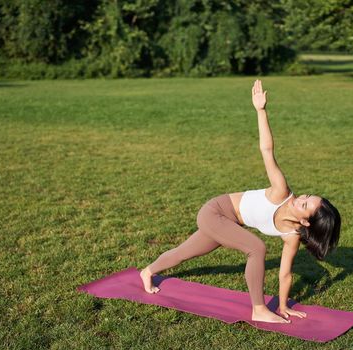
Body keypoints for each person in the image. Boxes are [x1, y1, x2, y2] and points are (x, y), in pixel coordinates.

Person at [140, 79, 341, 323]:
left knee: (184, 252)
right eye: (307, 196)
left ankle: (148, 271)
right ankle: (258, 309)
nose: (302, 198)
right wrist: (261, 111)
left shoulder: (292, 236)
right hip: (215, 212)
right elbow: (267, 150)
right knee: (256, 248)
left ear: (306, 223)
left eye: (306, 205)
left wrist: (284, 305)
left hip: (228, 224)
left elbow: (285, 274)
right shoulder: (281, 192)